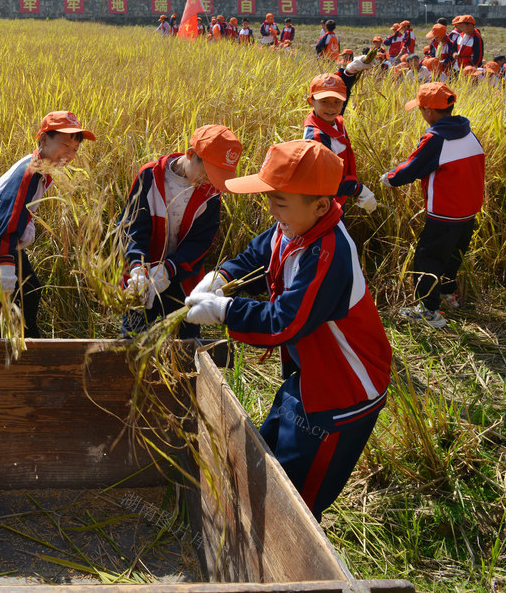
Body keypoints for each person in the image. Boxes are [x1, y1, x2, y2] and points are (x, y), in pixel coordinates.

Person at [184, 139, 392, 521]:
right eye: (269, 199)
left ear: (321, 205)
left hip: (340, 393)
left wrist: (226, 311)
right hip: (308, 376)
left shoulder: (329, 255)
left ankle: (292, 561)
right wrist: (223, 275)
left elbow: (285, 323)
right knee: (270, 450)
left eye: (279, 201)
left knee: (297, 500)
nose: (271, 210)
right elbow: (260, 251)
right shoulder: (294, 226)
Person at [0, 111, 96, 338]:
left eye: (74, 150)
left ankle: (30, 339)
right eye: (64, 146)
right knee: (0, 309)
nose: (70, 155)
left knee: (31, 291)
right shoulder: (29, 173)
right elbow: (5, 219)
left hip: (5, 238)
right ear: (44, 140)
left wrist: (27, 224)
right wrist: (5, 267)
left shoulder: (45, 166)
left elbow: (21, 212)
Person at [119, 125, 243, 338]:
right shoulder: (150, 177)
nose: (211, 181)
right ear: (191, 154)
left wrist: (168, 270)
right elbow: (133, 227)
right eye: (208, 172)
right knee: (133, 341)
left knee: (187, 344)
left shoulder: (211, 194)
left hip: (183, 279)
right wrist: (138, 269)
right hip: (142, 280)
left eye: (218, 176)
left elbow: (199, 244)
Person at [379, 82, 485, 327]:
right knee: (454, 255)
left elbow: (412, 168)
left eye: (421, 109)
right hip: (468, 212)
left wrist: (390, 179)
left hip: (445, 213)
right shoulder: (468, 131)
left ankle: (429, 311)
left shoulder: (436, 139)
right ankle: (448, 295)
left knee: (428, 259)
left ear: (428, 111)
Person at [302, 53, 378, 210]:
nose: (331, 107)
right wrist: (358, 190)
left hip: (337, 198)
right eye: (324, 101)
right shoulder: (317, 137)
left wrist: (349, 71)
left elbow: (342, 89)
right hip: (323, 205)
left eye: (337, 102)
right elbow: (324, 178)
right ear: (311, 102)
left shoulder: (331, 118)